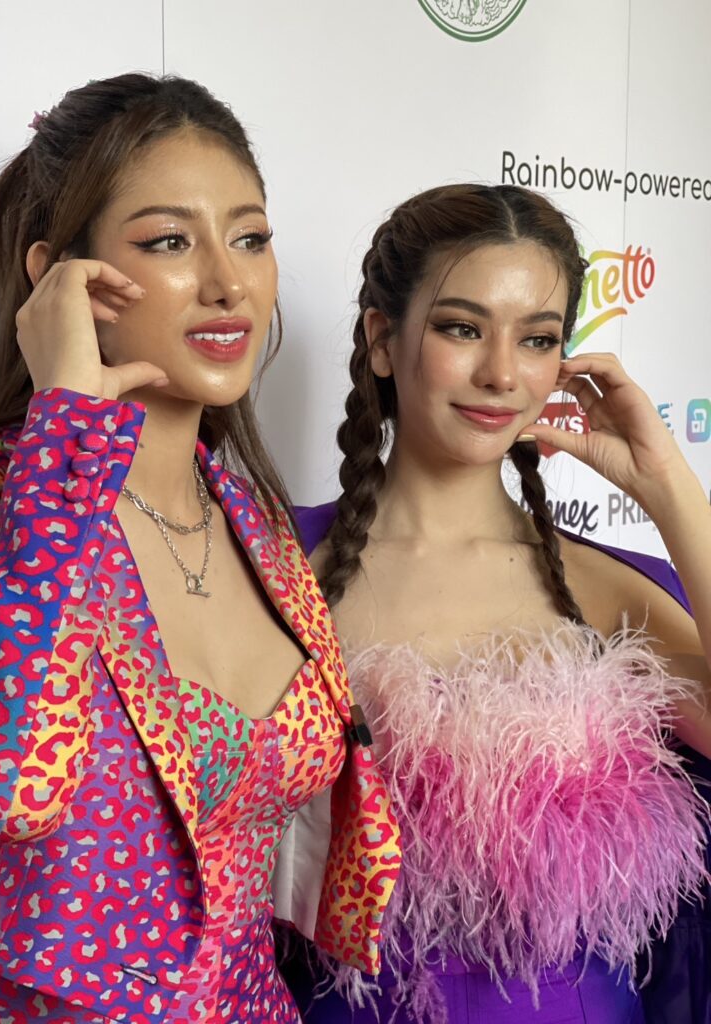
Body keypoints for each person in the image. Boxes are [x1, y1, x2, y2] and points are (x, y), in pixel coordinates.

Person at [0, 73, 400, 1024]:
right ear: (58, 279)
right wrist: (64, 436)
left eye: (251, 237)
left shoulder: (256, 525)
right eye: (169, 241)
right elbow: (2, 787)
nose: (229, 283)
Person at [280, 183, 711, 1023]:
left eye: (537, 339)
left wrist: (668, 487)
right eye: (463, 328)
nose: (503, 374)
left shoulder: (602, 587)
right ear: (382, 339)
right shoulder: (282, 564)